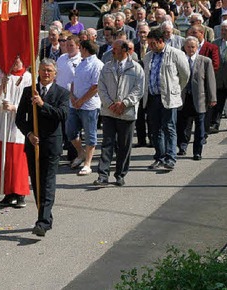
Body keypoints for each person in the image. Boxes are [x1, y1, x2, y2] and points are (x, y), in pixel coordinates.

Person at [16, 58, 70, 236]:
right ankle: (46, 217)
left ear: (55, 74)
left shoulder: (61, 93)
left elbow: (62, 115)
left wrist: (42, 104)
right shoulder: (28, 91)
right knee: (37, 184)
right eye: (43, 70)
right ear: (38, 72)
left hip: (51, 145)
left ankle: (42, 222)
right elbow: (19, 119)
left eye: (49, 71)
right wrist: (29, 134)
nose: (46, 74)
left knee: (47, 183)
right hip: (33, 144)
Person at [95, 39, 144, 187]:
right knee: (107, 144)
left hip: (126, 113)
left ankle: (120, 174)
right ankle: (103, 175)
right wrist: (110, 104)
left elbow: (139, 89)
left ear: (125, 50)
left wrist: (124, 103)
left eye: (115, 49)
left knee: (124, 145)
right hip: (109, 112)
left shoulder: (136, 68)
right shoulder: (107, 67)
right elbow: (101, 87)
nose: (112, 51)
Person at [143, 28, 190, 171]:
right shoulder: (148, 56)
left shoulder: (176, 54)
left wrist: (175, 90)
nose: (150, 46)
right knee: (155, 130)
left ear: (161, 41)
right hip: (152, 97)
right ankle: (159, 157)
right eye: (148, 44)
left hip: (169, 97)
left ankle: (170, 158)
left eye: (152, 44)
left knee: (169, 127)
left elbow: (185, 75)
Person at [0, 56, 31, 208]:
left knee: (17, 160)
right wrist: (1, 86)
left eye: (18, 60)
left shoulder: (28, 78)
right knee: (4, 159)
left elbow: (30, 102)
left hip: (17, 125)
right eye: (13, 60)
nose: (15, 63)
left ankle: (19, 193)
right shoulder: (1, 75)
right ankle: (8, 192)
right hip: (3, 123)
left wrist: (15, 108)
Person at [176, 37, 217, 160]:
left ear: (197, 47)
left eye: (193, 47)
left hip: (199, 98)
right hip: (184, 97)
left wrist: (212, 97)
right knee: (183, 125)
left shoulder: (205, 61)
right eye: (188, 47)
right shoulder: (180, 60)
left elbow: (210, 81)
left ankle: (197, 152)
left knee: (200, 126)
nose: (190, 49)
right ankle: (182, 146)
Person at [67, 40, 104, 176]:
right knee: (70, 132)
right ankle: (81, 153)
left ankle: (87, 163)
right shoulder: (81, 63)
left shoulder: (97, 64)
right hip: (74, 104)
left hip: (89, 106)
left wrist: (81, 101)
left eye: (80, 48)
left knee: (90, 134)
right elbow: (74, 81)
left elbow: (95, 87)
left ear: (84, 49)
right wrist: (72, 96)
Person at [133, 23, 154, 148]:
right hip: (137, 84)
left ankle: (152, 139)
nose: (142, 35)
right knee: (139, 115)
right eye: (140, 32)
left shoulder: (153, 48)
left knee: (151, 115)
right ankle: (141, 140)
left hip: (150, 85)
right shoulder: (133, 47)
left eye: (144, 32)